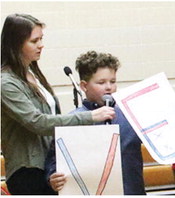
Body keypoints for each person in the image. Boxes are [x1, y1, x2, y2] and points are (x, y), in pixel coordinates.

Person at [0, 14, 115, 195]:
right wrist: (90, 116)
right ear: (16, 44)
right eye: (34, 41)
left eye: (41, 39)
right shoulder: (6, 83)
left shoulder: (33, 73)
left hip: (50, 166)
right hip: (28, 171)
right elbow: (38, 122)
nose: (41, 45)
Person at [44, 51, 156, 195]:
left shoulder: (130, 115)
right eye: (101, 83)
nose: (109, 87)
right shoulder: (72, 121)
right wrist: (52, 177)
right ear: (84, 86)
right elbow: (54, 162)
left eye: (113, 81)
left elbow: (161, 135)